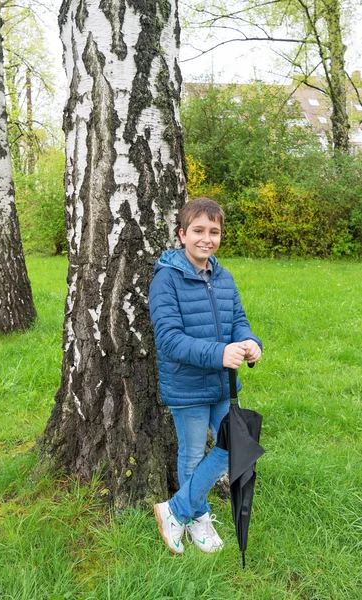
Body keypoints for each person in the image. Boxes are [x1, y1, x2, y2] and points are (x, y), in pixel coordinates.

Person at [148, 196, 262, 555]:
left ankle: (175, 511)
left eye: (214, 231)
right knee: (193, 455)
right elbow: (169, 339)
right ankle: (198, 519)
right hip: (188, 387)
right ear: (182, 235)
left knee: (236, 448)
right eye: (198, 230)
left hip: (224, 384)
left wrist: (249, 341)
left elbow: (238, 320)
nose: (206, 238)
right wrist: (219, 353)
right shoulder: (166, 280)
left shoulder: (223, 276)